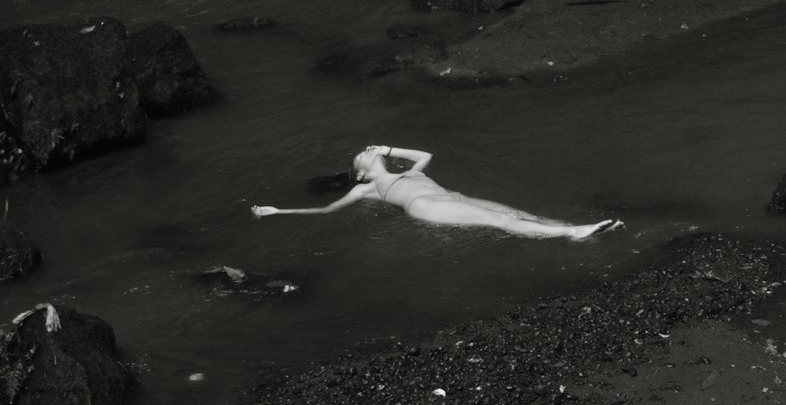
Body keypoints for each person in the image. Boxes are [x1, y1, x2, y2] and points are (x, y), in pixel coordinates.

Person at [251, 144, 623, 241]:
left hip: (452, 198)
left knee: (516, 212)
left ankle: (573, 227)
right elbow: (327, 210)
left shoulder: (405, 170)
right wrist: (277, 212)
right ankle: (573, 234)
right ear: (360, 172)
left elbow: (426, 155)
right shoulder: (367, 189)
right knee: (499, 221)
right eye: (363, 154)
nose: (367, 150)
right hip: (426, 208)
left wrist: (388, 148)